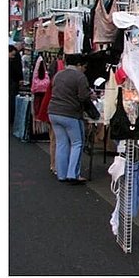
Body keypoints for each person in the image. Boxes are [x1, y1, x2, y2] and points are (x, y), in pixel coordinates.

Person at [47, 53, 93, 184]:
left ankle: (61, 174)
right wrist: (91, 96)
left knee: (61, 143)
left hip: (53, 112)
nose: (84, 69)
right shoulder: (79, 77)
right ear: (79, 65)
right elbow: (84, 96)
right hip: (70, 114)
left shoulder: (58, 75)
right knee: (77, 143)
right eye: (84, 66)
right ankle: (73, 174)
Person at [9, 43, 24, 129]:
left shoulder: (13, 60)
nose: (13, 56)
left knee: (11, 100)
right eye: (12, 54)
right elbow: (18, 70)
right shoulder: (15, 61)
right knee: (11, 100)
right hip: (13, 82)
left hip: (12, 82)